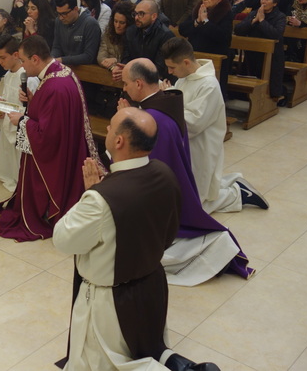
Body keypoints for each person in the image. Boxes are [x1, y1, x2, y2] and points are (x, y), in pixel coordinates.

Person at [53, 107, 220, 371]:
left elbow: (63, 239)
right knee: (149, 347)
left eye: (111, 126)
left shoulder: (100, 199)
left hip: (110, 301)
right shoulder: (164, 173)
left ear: (119, 141)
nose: (108, 129)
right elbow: (168, 232)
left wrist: (91, 193)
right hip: (152, 286)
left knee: (107, 362)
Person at [120, 59, 253, 286]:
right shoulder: (165, 102)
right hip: (174, 187)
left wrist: (126, 124)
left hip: (160, 202)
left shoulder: (151, 120)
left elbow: (136, 162)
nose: (124, 89)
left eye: (126, 83)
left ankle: (222, 234)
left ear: (139, 83)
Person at [0, 35, 100, 241]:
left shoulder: (54, 86)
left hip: (59, 154)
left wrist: (22, 121)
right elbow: (53, 115)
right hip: (69, 144)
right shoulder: (61, 72)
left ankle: (46, 211)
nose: (22, 65)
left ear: (35, 59)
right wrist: (33, 100)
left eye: (23, 60)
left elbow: (48, 135)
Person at [162, 38, 268, 213]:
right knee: (187, 194)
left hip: (201, 147)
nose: (169, 72)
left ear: (186, 62)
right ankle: (232, 181)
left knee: (197, 207)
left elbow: (193, 123)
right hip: (187, 146)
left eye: (172, 67)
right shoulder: (183, 79)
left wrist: (166, 102)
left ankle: (237, 194)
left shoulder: (208, 85)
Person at [0, 35, 39, 192]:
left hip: (22, 124)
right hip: (9, 122)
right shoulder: (8, 74)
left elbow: (34, 107)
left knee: (20, 160)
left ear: (16, 55)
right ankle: (9, 174)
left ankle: (22, 180)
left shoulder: (28, 77)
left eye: (2, 58)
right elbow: (7, 97)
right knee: (7, 156)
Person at [178, 0, 233, 97]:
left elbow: (223, 37)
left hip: (216, 54)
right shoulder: (198, 10)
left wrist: (206, 22)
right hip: (196, 53)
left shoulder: (225, 13)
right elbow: (182, 29)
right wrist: (197, 21)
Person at [235, 0, 287, 100]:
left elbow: (276, 35)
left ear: (275, 3)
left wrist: (262, 21)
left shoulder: (280, 17)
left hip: (272, 57)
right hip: (252, 53)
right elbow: (238, 30)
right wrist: (253, 21)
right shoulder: (254, 13)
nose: (263, 1)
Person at [114, 0, 175, 81]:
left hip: (157, 81)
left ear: (153, 16)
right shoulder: (131, 31)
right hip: (134, 77)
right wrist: (122, 68)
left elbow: (160, 67)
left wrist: (133, 71)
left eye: (141, 14)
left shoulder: (165, 35)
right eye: (135, 14)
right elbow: (126, 56)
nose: (136, 17)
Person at [52, 0, 102, 65]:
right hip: (65, 66)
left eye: (64, 14)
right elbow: (57, 47)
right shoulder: (58, 21)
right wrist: (52, 59)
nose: (61, 18)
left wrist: (62, 60)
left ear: (75, 9)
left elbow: (89, 56)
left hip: (86, 69)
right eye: (58, 13)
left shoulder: (90, 24)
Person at [97, 0, 134, 70]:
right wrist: (113, 67)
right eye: (115, 21)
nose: (117, 26)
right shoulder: (108, 33)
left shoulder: (134, 37)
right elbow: (101, 57)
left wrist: (116, 60)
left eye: (122, 23)